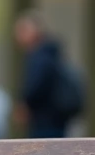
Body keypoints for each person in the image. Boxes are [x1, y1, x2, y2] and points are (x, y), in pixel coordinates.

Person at [14, 9, 85, 139]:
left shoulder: (40, 57)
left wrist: (25, 103)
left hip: (45, 120)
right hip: (57, 118)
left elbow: (35, 85)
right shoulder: (51, 54)